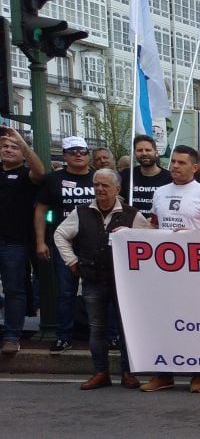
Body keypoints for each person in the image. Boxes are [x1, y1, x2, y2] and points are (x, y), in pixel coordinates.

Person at [53, 169, 151, 390]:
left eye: (105, 185)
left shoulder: (132, 214)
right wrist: (71, 261)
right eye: (96, 184)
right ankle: (101, 372)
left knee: (127, 329)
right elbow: (60, 234)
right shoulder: (81, 212)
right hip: (92, 278)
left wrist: (132, 234)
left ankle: (129, 373)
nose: (99, 189)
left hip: (124, 283)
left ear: (117, 189)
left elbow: (148, 240)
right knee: (97, 328)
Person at [140, 145, 200, 394]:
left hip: (196, 272)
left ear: (195, 167)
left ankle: (199, 374)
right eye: (173, 162)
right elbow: (153, 227)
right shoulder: (160, 192)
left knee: (197, 323)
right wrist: (129, 235)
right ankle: (163, 374)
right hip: (165, 271)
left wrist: (193, 236)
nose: (175, 166)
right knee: (163, 321)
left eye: (181, 163)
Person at [34, 136, 97, 353]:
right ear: (65, 156)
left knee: (98, 292)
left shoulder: (98, 178)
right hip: (64, 244)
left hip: (94, 244)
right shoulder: (53, 179)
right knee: (66, 293)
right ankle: (64, 336)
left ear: (88, 154)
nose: (78, 154)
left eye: (82, 151)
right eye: (72, 151)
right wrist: (41, 241)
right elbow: (41, 210)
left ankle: (108, 335)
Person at [0, 127, 45, 354]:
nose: (9, 149)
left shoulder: (27, 175)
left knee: (14, 289)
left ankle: (11, 335)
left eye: (14, 146)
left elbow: (40, 172)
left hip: (14, 243)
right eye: (5, 146)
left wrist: (22, 143)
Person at [121, 135, 172, 216]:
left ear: (156, 152)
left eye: (148, 150)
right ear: (134, 153)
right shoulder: (126, 175)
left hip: (158, 226)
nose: (144, 153)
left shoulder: (170, 178)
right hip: (132, 226)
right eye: (140, 150)